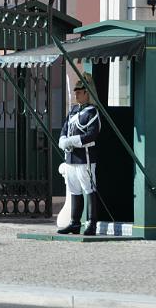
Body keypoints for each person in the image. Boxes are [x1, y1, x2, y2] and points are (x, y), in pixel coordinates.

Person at [57, 73, 101, 236]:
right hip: (71, 158)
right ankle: (75, 223)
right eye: (75, 92)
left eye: (79, 92)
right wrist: (63, 139)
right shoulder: (74, 110)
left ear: (87, 93)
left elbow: (91, 134)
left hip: (85, 157)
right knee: (74, 189)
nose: (76, 94)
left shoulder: (93, 112)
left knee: (88, 189)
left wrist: (72, 141)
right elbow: (65, 128)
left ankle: (92, 223)